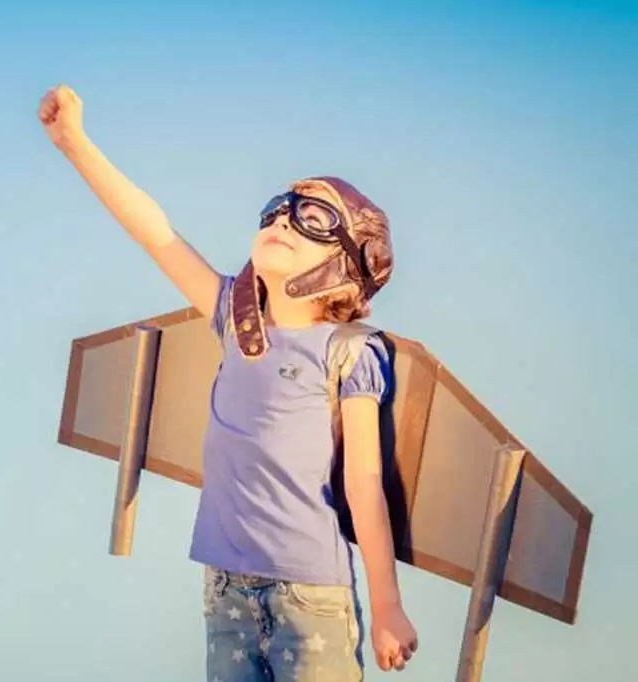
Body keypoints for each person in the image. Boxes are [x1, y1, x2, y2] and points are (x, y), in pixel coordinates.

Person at [38, 84, 418, 681]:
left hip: (309, 596)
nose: (283, 222)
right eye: (277, 209)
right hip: (224, 591)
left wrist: (388, 603)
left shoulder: (349, 351)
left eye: (312, 218)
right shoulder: (233, 322)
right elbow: (156, 233)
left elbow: (363, 481)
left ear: (346, 260)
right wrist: (76, 144)